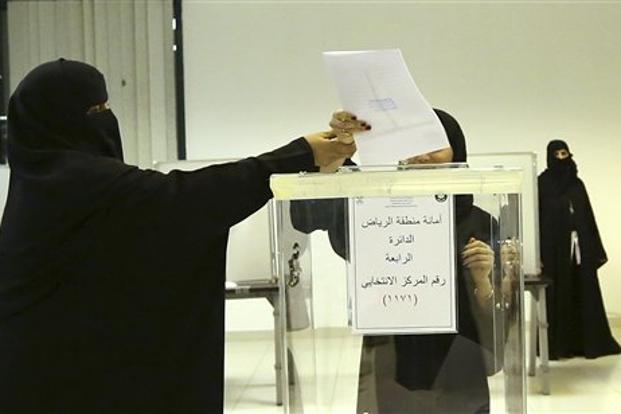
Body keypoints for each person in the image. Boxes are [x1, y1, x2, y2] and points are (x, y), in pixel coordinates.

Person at [0, 58, 369, 414]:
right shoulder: (73, 179)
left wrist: (309, 156)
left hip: (47, 364)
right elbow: (185, 199)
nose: (106, 119)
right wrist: (299, 154)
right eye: (95, 111)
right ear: (59, 120)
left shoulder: (39, 177)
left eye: (106, 107)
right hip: (49, 376)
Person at [291, 109, 501, 413]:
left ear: (457, 150)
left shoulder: (481, 223)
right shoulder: (377, 216)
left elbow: (498, 312)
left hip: (460, 358)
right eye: (412, 145)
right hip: (391, 353)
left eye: (435, 146)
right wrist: (339, 149)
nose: (423, 156)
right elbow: (310, 216)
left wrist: (483, 279)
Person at [538, 139, 620, 360]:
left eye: (566, 154)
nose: (563, 159)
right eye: (558, 154)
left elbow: (587, 218)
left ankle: (587, 343)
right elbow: (539, 219)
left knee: (582, 290)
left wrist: (592, 247)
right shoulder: (542, 184)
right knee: (559, 292)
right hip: (554, 251)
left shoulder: (577, 184)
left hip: (579, 248)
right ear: (550, 157)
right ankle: (560, 345)